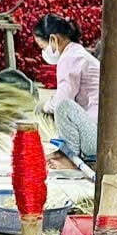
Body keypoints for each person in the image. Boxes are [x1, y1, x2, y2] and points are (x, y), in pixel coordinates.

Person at [33, 15, 99, 163]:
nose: (43, 52)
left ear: (53, 40)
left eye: (42, 47)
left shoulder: (70, 58)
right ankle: (66, 154)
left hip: (96, 139)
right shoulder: (77, 53)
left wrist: (45, 106)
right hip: (97, 134)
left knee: (62, 106)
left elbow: (63, 99)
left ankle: (71, 159)